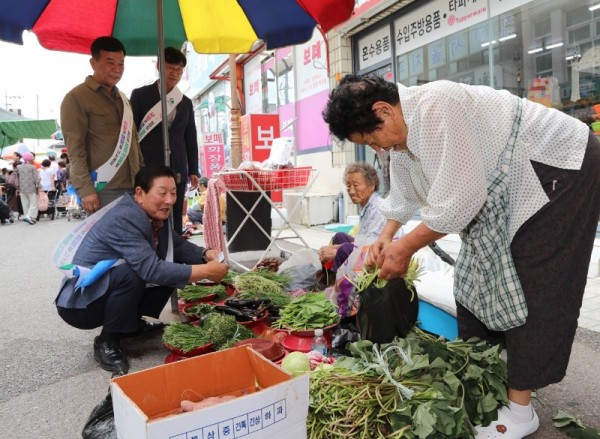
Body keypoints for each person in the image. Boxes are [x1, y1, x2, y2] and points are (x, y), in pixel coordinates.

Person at [323, 74, 600, 438]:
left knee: (533, 279)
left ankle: (520, 411)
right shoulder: (402, 134)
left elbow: (461, 204)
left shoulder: (438, 106)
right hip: (503, 186)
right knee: (473, 278)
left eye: (371, 137)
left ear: (384, 111)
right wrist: (386, 236)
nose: (378, 147)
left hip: (558, 165)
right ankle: (486, 380)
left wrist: (405, 248)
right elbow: (404, 194)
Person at [54, 166, 229, 375]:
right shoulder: (124, 217)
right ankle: (107, 340)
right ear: (139, 193)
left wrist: (204, 253)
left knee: (170, 265)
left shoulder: (154, 213)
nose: (170, 200)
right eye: (162, 193)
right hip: (82, 305)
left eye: (173, 193)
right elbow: (151, 270)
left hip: (107, 288)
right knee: (135, 274)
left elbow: (176, 246)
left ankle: (131, 324)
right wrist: (207, 271)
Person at [60, 36, 143, 215]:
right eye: (110, 62)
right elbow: (75, 150)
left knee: (131, 239)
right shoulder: (76, 98)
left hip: (134, 186)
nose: (117, 69)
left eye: (121, 64)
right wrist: (86, 190)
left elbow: (134, 142)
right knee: (108, 241)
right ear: (93, 62)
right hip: (103, 188)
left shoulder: (123, 99)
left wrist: (143, 180)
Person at [130, 47, 199, 235]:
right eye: (170, 68)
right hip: (148, 162)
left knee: (174, 208)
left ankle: (175, 250)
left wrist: (193, 169)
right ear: (159, 67)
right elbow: (132, 133)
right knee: (150, 209)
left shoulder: (185, 102)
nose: (174, 74)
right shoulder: (140, 95)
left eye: (179, 70)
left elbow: (190, 136)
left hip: (177, 164)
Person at [318, 162, 396, 284]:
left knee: (344, 249)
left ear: (371, 185)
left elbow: (370, 245)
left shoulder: (378, 208)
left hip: (381, 256)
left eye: (356, 185)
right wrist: (333, 247)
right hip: (369, 248)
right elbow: (362, 240)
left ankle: (335, 287)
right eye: (349, 186)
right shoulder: (366, 206)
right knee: (339, 237)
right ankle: (328, 277)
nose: (352, 191)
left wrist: (336, 251)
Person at [16, 152, 40, 225]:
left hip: (22, 188)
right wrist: (38, 186)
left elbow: (17, 177)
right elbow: (36, 179)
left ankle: (29, 217)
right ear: (31, 158)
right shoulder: (32, 167)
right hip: (31, 187)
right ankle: (30, 217)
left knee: (25, 203)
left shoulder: (18, 167)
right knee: (33, 203)